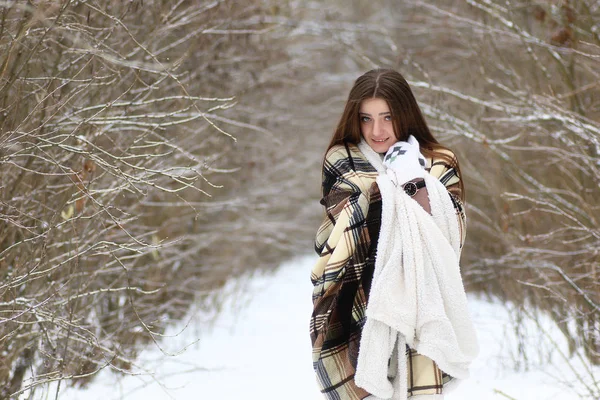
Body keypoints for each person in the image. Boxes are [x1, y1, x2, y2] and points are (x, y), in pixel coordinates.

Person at [310, 69, 477, 400]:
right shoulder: (342, 159)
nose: (377, 130)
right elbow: (339, 227)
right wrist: (391, 185)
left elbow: (450, 233)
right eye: (366, 119)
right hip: (356, 295)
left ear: (405, 114)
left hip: (423, 298)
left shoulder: (439, 162)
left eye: (387, 117)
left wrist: (414, 178)